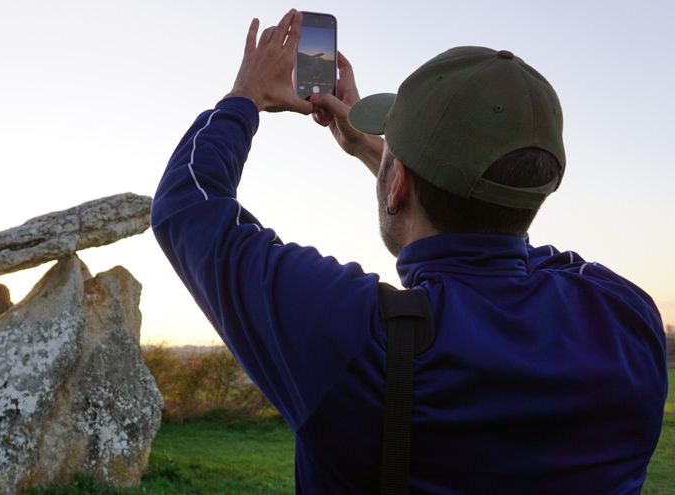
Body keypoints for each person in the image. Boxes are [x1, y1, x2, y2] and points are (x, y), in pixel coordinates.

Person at [151, 10, 667, 494]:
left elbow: (186, 208)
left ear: (397, 184)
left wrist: (244, 97)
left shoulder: (357, 342)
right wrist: (391, 165)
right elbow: (508, 244)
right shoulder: (628, 319)